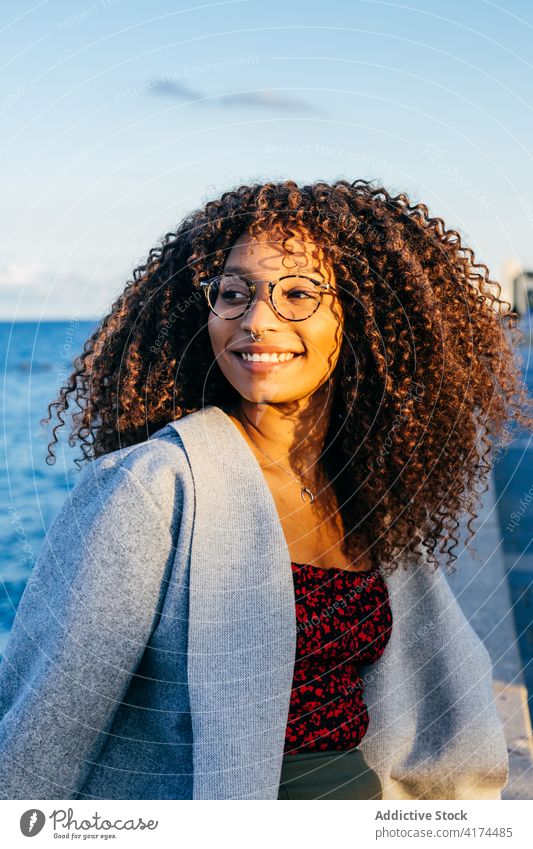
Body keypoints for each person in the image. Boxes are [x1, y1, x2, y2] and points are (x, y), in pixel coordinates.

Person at [0, 178, 530, 801]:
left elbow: (437, 698)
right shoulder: (150, 490)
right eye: (233, 294)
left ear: (360, 318)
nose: (256, 321)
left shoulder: (365, 492)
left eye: (298, 294)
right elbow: (44, 731)